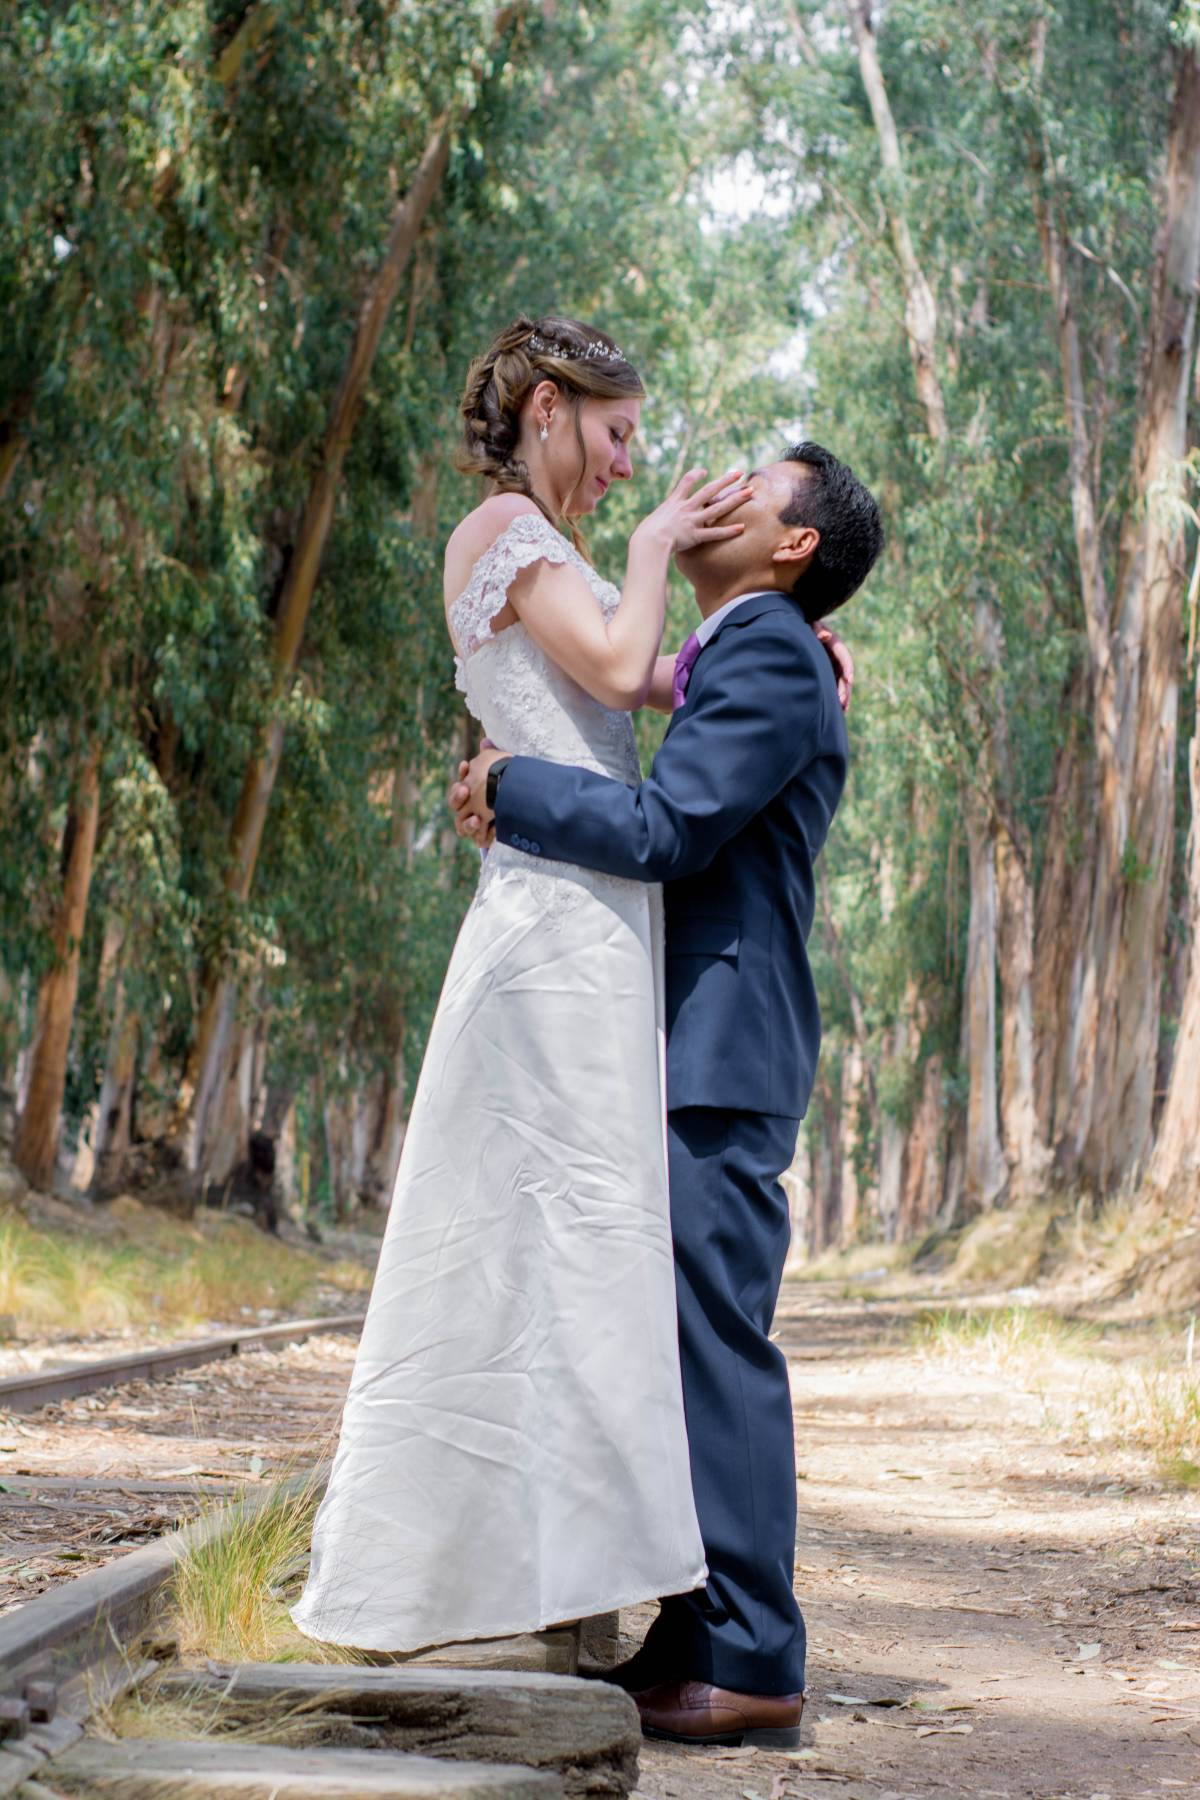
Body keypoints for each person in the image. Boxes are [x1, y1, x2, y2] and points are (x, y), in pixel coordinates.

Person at [290, 314, 770, 1657]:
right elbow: (620, 665)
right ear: (552, 408)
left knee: (583, 1255)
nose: (631, 463)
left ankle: (565, 1587)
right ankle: (478, 1589)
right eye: (620, 434)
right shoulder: (498, 535)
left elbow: (645, 682)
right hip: (551, 933)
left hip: (602, 919)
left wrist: (773, 657)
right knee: (537, 1242)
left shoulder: (552, 556)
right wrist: (656, 549)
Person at [452, 439, 883, 1748]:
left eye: (756, 480)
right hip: (692, 1037)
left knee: (715, 1342)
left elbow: (668, 831)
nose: (719, 484)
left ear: (794, 544)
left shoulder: (766, 652)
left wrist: (510, 787)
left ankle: (755, 1657)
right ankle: (697, 1629)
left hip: (721, 1044)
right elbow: (668, 719)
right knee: (679, 1340)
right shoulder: (746, 651)